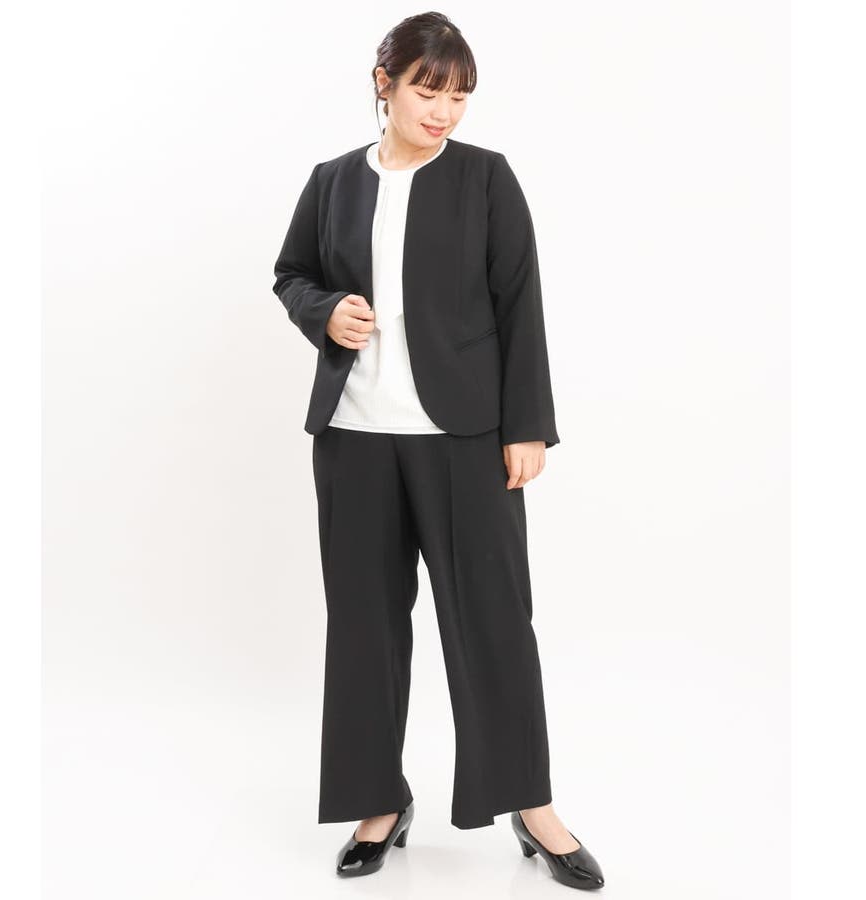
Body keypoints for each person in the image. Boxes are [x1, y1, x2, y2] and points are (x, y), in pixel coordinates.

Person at [272, 11, 605, 890]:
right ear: (384, 83)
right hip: (355, 438)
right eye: (429, 90)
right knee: (364, 627)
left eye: (460, 96)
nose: (445, 111)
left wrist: (527, 425)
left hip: (466, 442)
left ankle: (531, 806)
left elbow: (520, 301)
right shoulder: (332, 182)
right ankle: (377, 801)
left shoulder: (486, 179)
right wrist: (324, 312)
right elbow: (291, 274)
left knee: (494, 624)